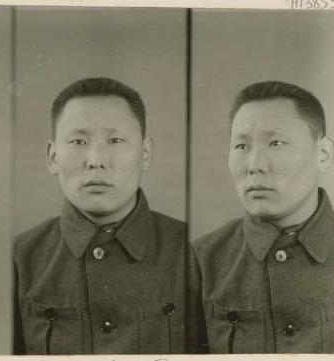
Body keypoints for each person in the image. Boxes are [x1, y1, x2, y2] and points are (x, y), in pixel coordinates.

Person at [12, 77, 206, 355]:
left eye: (115, 140)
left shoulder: (195, 252)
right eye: (78, 141)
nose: (96, 159)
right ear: (53, 157)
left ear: (146, 153)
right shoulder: (21, 259)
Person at [191, 81, 334, 353]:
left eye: (275, 143)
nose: (255, 165)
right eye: (241, 146)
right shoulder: (201, 260)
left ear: (324, 154)